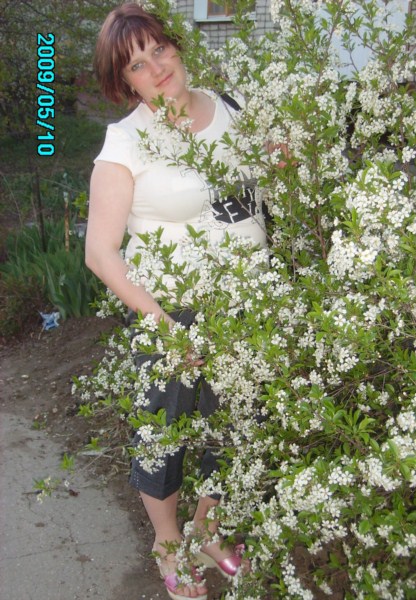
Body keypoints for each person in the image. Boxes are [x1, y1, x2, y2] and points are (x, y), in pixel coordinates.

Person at [86, 3, 266, 599]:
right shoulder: (125, 142)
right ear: (125, 83)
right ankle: (167, 542)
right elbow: (100, 254)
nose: (157, 68)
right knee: (165, 429)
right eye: (137, 65)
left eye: (159, 49)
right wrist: (163, 325)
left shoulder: (231, 107)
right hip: (171, 312)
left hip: (248, 301)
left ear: (177, 47)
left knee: (236, 423)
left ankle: (207, 527)